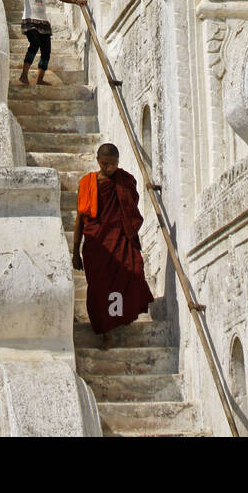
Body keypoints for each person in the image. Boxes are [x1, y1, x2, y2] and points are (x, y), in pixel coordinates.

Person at [72, 144, 153, 347]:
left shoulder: (124, 182)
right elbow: (80, 219)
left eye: (114, 164)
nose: (110, 168)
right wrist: (75, 251)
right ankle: (106, 330)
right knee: (100, 288)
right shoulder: (87, 183)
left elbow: (130, 210)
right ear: (98, 161)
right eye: (106, 164)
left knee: (131, 273)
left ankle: (118, 317)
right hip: (97, 245)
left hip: (120, 240)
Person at [0, 0, 86, 85]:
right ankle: (24, 75)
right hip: (29, 21)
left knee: (46, 51)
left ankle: (40, 79)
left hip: (43, 23)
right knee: (34, 44)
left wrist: (76, 2)